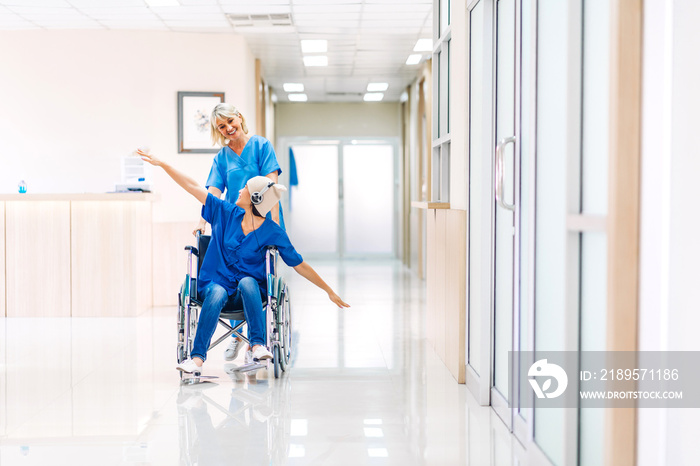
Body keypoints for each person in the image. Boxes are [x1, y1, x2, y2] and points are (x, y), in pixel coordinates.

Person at [137, 149, 349, 374]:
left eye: (245, 188)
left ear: (256, 198)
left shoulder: (272, 232)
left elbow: (299, 264)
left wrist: (328, 290)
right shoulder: (225, 212)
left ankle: (257, 344)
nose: (238, 189)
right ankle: (197, 359)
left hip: (246, 294)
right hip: (215, 285)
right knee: (217, 292)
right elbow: (192, 187)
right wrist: (163, 164)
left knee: (248, 282)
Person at [196, 103, 285, 359]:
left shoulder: (260, 146)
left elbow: (273, 188)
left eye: (230, 122)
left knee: (254, 279)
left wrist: (274, 227)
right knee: (232, 276)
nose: (228, 129)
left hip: (260, 224)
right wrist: (202, 220)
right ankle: (237, 335)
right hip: (234, 227)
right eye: (221, 127)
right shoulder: (222, 157)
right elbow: (212, 192)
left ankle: (252, 339)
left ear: (239, 118)